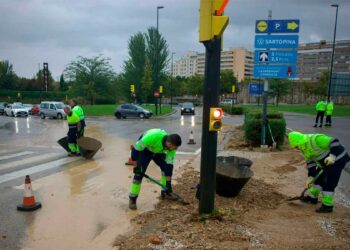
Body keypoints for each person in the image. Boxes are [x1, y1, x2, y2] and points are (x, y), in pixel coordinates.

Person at [288, 131, 350, 213]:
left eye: (297, 146)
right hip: (325, 164)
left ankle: (327, 206)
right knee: (317, 179)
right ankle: (312, 198)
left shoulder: (315, 139)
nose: (297, 148)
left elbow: (334, 141)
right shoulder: (305, 148)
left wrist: (332, 156)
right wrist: (311, 177)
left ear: (300, 142)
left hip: (338, 159)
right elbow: (311, 164)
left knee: (328, 182)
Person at [128, 128, 182, 210]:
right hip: (145, 151)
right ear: (169, 144)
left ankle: (165, 192)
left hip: (158, 152)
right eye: (174, 148)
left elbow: (169, 166)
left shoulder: (171, 148)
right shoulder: (152, 137)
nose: (175, 150)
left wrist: (168, 184)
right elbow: (136, 149)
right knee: (139, 174)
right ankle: (133, 198)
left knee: (165, 169)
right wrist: (135, 165)